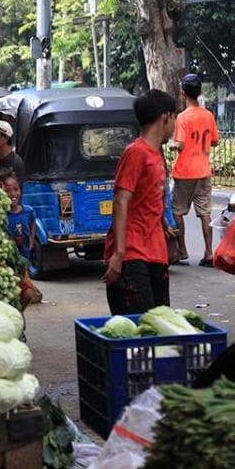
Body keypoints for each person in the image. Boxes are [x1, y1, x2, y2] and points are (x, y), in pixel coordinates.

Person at [103, 89, 178, 316]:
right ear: (166, 117)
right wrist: (119, 253)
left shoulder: (157, 154)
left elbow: (149, 201)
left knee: (158, 322)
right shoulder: (136, 152)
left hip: (155, 251)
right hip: (133, 254)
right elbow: (120, 201)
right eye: (175, 118)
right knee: (140, 324)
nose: (175, 125)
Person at [170, 74, 219, 267]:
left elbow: (180, 144)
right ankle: (208, 252)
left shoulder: (182, 118)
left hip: (184, 172)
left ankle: (182, 250)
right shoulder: (208, 115)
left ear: (183, 93)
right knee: (205, 211)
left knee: (177, 211)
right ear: (199, 93)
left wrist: (174, 146)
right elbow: (214, 140)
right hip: (203, 170)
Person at [0, 168, 34, 263]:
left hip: (24, 257)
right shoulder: (1, 215)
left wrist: (31, 239)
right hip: (8, 260)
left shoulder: (28, 211)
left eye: (16, 189)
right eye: (7, 191)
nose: (13, 194)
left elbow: (33, 222)